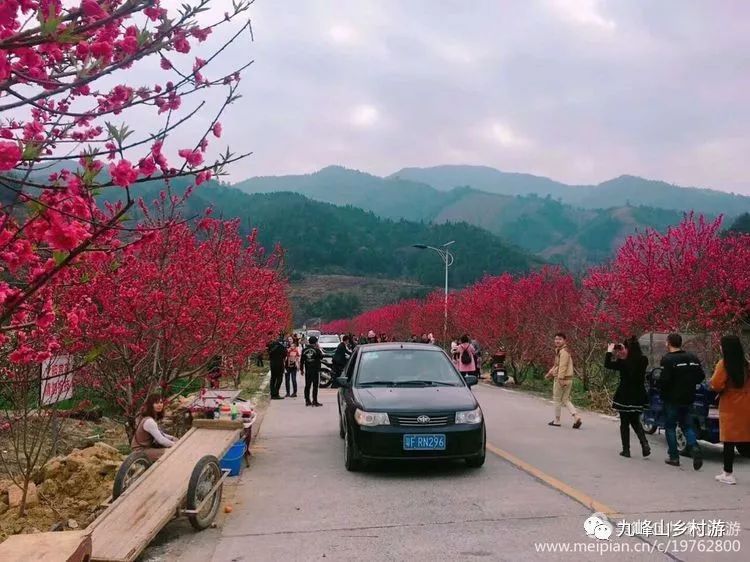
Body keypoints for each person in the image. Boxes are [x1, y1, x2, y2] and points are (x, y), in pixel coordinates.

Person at [659, 333, 705, 469]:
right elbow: (700, 376)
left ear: (668, 343)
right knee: (686, 425)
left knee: (670, 427)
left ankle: (674, 457)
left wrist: (660, 385)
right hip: (688, 397)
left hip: (672, 399)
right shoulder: (692, 358)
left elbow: (665, 380)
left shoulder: (667, 360)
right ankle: (695, 447)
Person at [709, 335, 750, 484]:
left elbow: (716, 384)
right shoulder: (746, 364)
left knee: (729, 441)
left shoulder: (724, 364)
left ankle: (728, 473)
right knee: (746, 440)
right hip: (746, 405)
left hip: (730, 405)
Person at [604, 337, 650, 458]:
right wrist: (624, 353)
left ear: (628, 348)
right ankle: (644, 444)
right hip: (639, 394)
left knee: (624, 422)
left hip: (625, 394)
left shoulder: (623, 362)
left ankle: (626, 450)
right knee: (635, 419)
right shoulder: (643, 360)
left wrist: (610, 352)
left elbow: (607, 364)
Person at [545, 332, 582, 429]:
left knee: (557, 400)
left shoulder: (563, 352)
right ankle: (576, 416)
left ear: (565, 341)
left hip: (562, 379)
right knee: (565, 399)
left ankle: (557, 420)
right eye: (556, 339)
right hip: (568, 379)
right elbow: (556, 364)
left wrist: (560, 379)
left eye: (560, 339)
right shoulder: (561, 350)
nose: (557, 341)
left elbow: (562, 366)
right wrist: (549, 373)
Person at [131, 394, 176, 462]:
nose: (159, 405)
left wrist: (172, 438)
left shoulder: (148, 418)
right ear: (150, 405)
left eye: (161, 402)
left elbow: (160, 433)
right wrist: (176, 445)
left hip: (144, 449)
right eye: (156, 403)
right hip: (140, 451)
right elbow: (161, 440)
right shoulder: (149, 421)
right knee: (171, 452)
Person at [301, 335, 324, 406]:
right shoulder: (316, 350)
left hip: (308, 370)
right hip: (315, 370)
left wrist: (302, 370)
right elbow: (321, 356)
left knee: (307, 385)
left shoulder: (304, 350)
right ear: (315, 342)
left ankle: (307, 400)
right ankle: (314, 401)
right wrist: (318, 348)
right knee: (315, 386)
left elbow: (302, 361)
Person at [267, 333, 287, 400]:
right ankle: (276, 393)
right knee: (279, 378)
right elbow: (285, 355)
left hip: (272, 363)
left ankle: (272, 393)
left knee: (273, 378)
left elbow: (268, 353)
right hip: (279, 363)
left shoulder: (270, 346)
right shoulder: (281, 346)